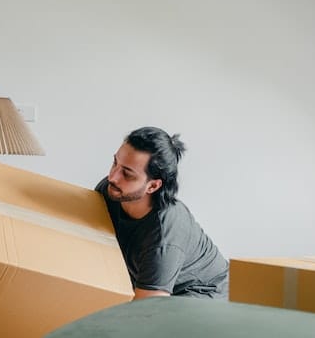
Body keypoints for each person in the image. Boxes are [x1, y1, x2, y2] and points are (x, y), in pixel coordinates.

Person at [95, 127, 228, 300]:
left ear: (153, 186)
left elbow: (149, 308)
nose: (112, 177)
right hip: (158, 286)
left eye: (127, 174)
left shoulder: (163, 235)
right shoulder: (111, 191)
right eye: (115, 163)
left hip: (205, 294)